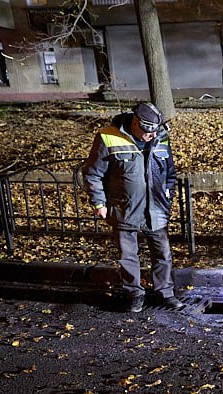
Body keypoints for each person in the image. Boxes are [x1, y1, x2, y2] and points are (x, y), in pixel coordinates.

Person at [82, 102, 185, 313]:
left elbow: (169, 173)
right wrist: (99, 203)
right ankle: (134, 294)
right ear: (135, 123)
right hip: (124, 207)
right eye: (148, 131)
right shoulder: (108, 137)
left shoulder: (160, 136)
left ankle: (165, 293)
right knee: (128, 255)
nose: (152, 135)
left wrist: (167, 197)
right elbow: (93, 174)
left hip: (155, 208)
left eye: (154, 131)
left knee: (162, 253)